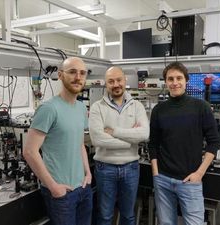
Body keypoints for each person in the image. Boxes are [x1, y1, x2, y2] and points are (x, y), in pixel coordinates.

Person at [23, 57, 92, 225]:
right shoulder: (48, 108)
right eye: (72, 72)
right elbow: (30, 151)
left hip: (83, 188)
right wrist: (53, 186)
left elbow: (80, 144)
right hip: (62, 193)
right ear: (60, 75)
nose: (78, 77)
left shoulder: (82, 108)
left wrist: (88, 173)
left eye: (82, 73)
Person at [148, 62, 220, 225]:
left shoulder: (201, 107)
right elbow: (153, 144)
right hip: (163, 180)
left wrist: (199, 174)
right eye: (170, 79)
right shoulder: (159, 110)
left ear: (186, 80)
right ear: (165, 82)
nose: (175, 82)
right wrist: (156, 173)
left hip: (190, 181)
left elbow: (214, 142)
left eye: (179, 78)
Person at [89, 66, 149, 225]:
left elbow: (144, 134)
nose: (116, 84)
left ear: (125, 80)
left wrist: (114, 131)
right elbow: (98, 140)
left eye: (118, 80)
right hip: (105, 168)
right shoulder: (97, 107)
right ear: (105, 84)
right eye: (111, 81)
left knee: (128, 215)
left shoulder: (137, 106)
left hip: (131, 168)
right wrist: (131, 139)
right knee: (105, 216)